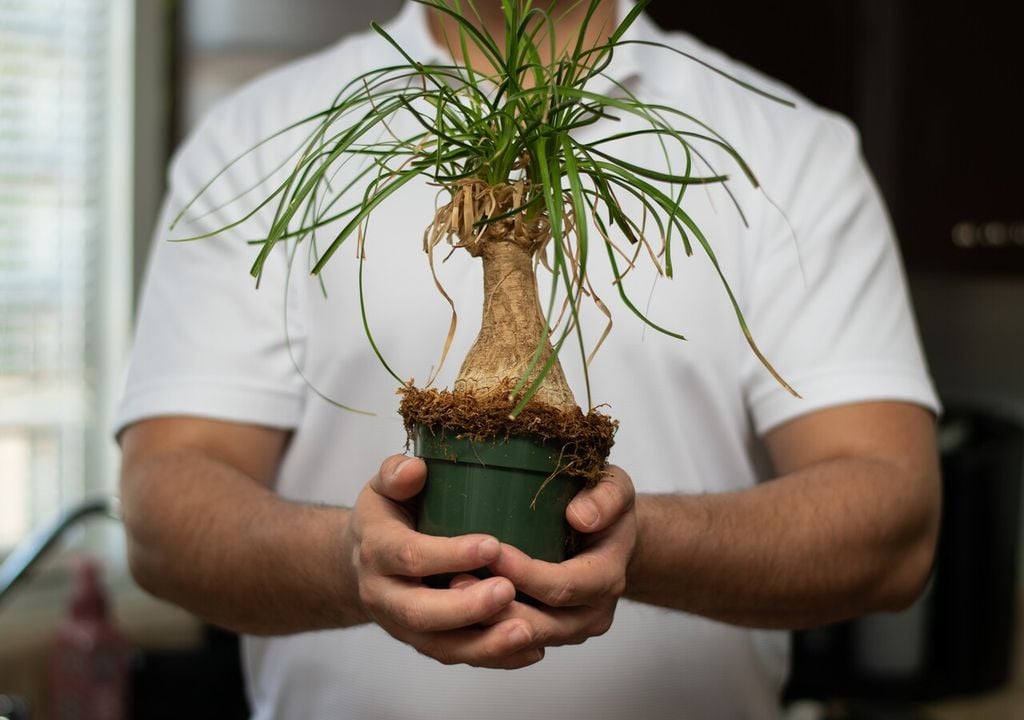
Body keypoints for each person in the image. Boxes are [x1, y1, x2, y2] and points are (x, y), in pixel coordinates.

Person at [116, 1, 941, 718]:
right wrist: (352, 562)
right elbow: (161, 515)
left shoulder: (788, 150)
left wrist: (636, 543)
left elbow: (895, 524)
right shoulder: (261, 137)